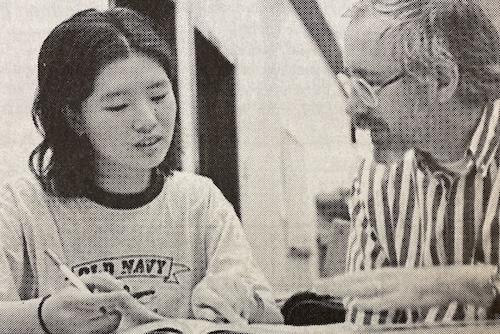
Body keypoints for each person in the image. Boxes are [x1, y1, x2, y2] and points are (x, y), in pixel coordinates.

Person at [0, 7, 283, 334]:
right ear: (74, 118)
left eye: (159, 95)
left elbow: (274, 317)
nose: (148, 120)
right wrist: (42, 315)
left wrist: (240, 299)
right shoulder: (25, 206)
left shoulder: (199, 202)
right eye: (118, 106)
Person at [314, 0, 500, 326]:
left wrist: (473, 285)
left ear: (442, 79)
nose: (352, 108)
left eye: (368, 85)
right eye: (350, 85)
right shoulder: (376, 186)